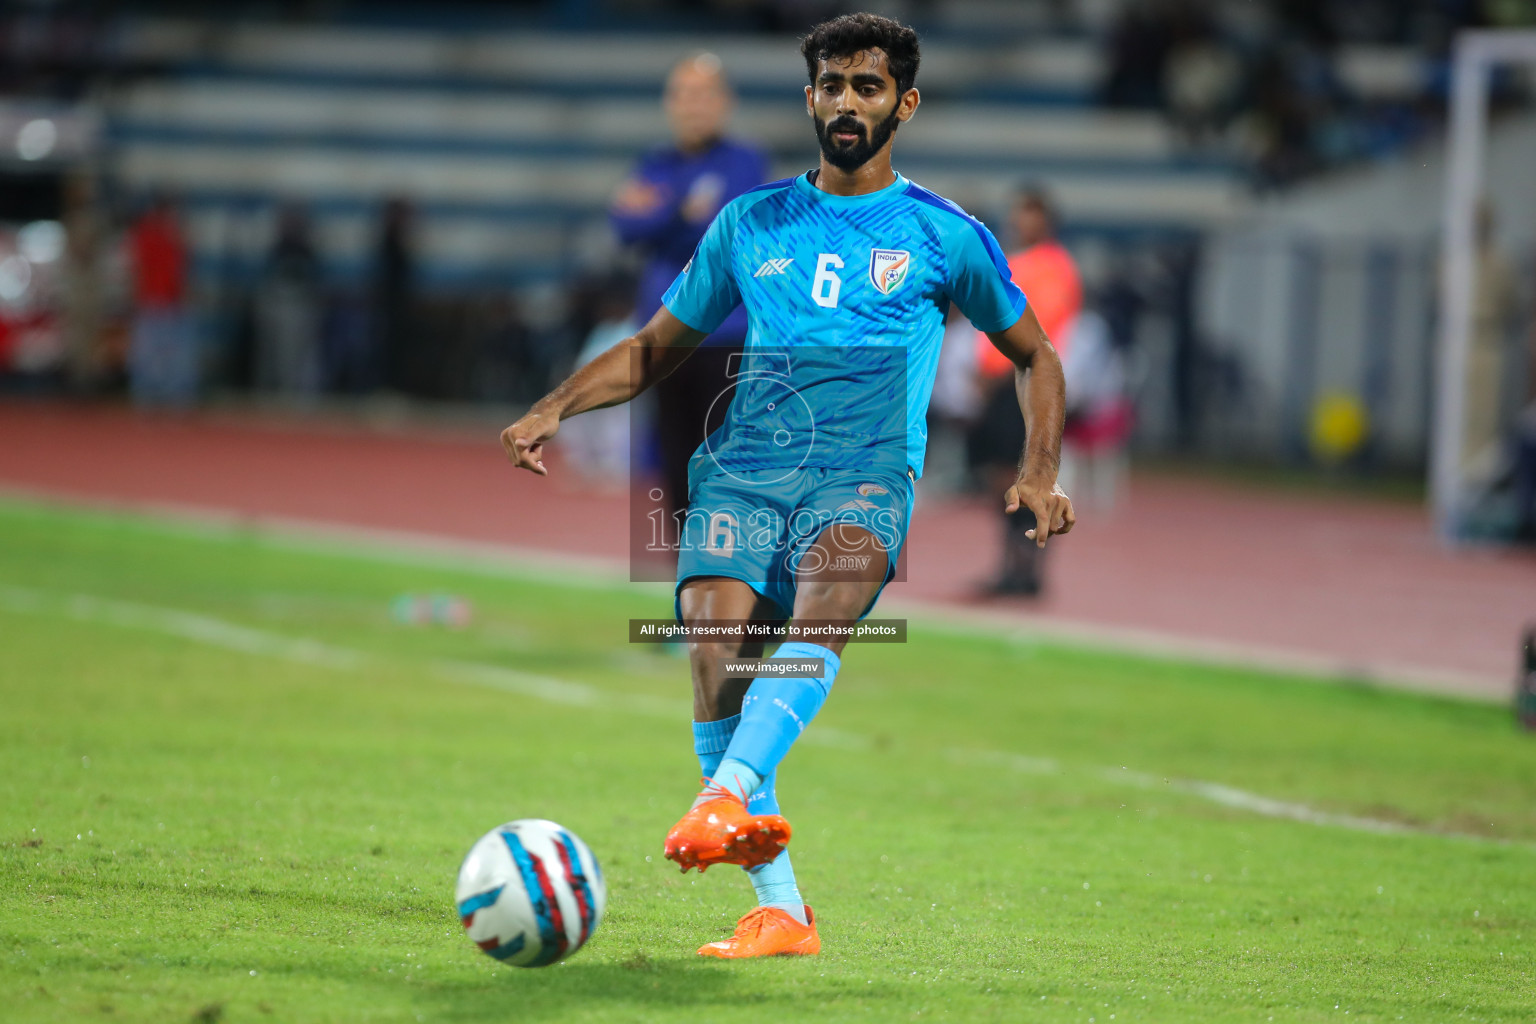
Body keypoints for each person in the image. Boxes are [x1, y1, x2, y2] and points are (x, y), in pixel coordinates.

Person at [500, 12, 1074, 959]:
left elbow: (1035, 354)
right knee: (714, 664)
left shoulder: (944, 234)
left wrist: (1039, 469)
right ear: (810, 98)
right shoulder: (749, 221)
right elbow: (652, 350)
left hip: (866, 473)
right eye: (833, 86)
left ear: (906, 103)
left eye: (868, 86)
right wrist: (554, 407)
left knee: (821, 609)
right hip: (743, 474)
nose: (848, 103)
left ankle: (722, 797)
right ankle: (782, 914)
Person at [610, 53, 769, 524]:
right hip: (664, 334)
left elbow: (721, 228)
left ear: (725, 102)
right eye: (683, 94)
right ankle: (689, 583)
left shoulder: (745, 160)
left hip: (724, 335)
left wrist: (661, 210)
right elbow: (624, 227)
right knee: (674, 466)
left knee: (727, 467)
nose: (693, 106)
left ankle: (733, 579)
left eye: (703, 95)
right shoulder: (655, 160)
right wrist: (683, 207)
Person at [969, 186, 1082, 594]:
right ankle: (1012, 566)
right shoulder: (1018, 261)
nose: (1020, 222)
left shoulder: (1053, 266)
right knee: (1000, 478)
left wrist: (993, 371)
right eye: (1018, 213)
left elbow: (1039, 334)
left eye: (1029, 214)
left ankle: (1028, 570)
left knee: (1024, 476)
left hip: (1022, 383)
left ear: (1046, 221)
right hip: (1000, 383)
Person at [126, 192, 196, 406]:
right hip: (151, 300)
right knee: (148, 354)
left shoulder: (176, 234)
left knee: (172, 355)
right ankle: (147, 396)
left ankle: (174, 396)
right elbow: (137, 269)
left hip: (171, 301)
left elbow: (183, 270)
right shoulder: (148, 233)